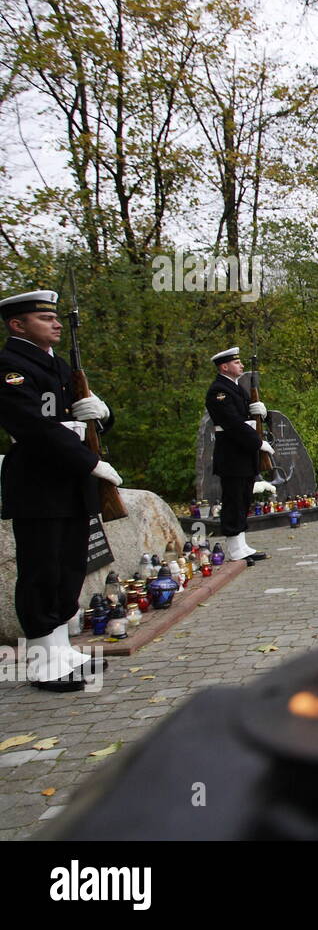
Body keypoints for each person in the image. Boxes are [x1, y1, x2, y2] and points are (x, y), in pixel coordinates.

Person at [0, 290, 118, 692]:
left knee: (69, 565)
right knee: (42, 568)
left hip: (70, 482)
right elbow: (32, 426)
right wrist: (90, 463)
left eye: (55, 317)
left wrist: (102, 413)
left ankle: (61, 648)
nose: (55, 324)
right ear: (17, 325)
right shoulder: (11, 366)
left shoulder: (61, 365)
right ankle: (41, 659)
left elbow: (81, 418)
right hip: (40, 482)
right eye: (43, 318)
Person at [205, 347, 274, 565]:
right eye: (236, 363)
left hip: (243, 455)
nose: (241, 366)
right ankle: (234, 550)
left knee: (243, 499)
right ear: (224, 367)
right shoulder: (219, 391)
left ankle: (242, 545)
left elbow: (249, 416)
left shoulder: (236, 388)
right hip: (232, 456)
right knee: (234, 500)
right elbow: (233, 424)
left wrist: (263, 412)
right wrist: (259, 443)